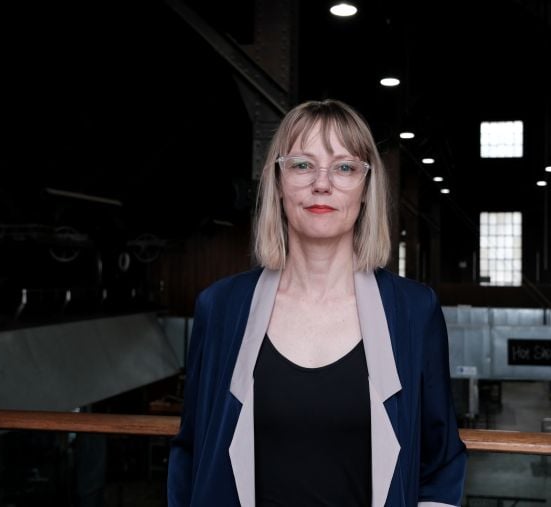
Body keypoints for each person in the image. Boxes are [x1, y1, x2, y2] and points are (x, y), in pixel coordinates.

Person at [167, 99, 467, 506]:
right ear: (277, 182)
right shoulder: (221, 308)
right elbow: (190, 453)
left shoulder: (413, 312)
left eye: (344, 167)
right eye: (302, 165)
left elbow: (441, 463)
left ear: (366, 189)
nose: (321, 184)